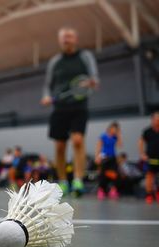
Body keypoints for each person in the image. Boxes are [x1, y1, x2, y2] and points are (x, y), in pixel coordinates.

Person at [41, 26, 99, 195]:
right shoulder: (55, 61)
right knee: (60, 146)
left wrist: (91, 82)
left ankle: (78, 180)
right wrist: (46, 96)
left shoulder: (85, 56)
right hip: (59, 107)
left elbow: (94, 78)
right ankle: (63, 181)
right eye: (64, 37)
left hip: (79, 105)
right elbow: (48, 85)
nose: (67, 40)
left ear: (75, 39)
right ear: (60, 40)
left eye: (70, 36)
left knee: (78, 141)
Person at [95, 122, 122, 200]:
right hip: (104, 157)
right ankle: (101, 190)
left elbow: (120, 145)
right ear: (110, 128)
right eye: (114, 129)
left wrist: (119, 135)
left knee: (114, 174)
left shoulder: (115, 137)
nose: (115, 130)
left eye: (116, 129)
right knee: (103, 174)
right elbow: (98, 146)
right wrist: (97, 156)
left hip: (112, 158)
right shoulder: (103, 136)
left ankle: (113, 190)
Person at [139, 112, 159, 204]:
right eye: (156, 119)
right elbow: (140, 142)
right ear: (152, 120)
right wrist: (142, 154)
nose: (158, 120)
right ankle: (149, 194)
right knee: (149, 176)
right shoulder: (147, 131)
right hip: (150, 158)